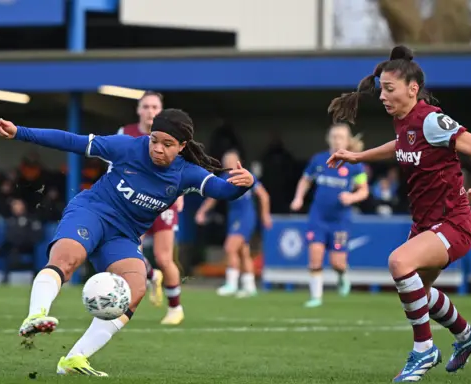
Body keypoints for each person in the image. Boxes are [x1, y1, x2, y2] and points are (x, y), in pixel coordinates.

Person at [0, 109, 255, 376]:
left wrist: (245, 183)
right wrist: (20, 132)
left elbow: (224, 190)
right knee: (66, 260)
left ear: (182, 146)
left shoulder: (187, 173)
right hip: (92, 212)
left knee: (136, 287)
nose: (157, 149)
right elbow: (71, 141)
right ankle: (36, 315)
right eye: (154, 140)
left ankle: (74, 359)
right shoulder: (128, 147)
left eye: (167, 144)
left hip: (122, 235)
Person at [327, 45, 471, 382]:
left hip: (454, 222)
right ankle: (466, 336)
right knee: (421, 293)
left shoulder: (432, 120)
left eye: (390, 90)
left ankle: (424, 350)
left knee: (399, 264)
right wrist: (358, 157)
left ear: (412, 89)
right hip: (425, 224)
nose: (383, 97)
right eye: (381, 91)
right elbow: (401, 145)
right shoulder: (403, 123)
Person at [117, 91, 184, 325]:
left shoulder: (174, 135)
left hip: (164, 203)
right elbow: (113, 167)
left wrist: (182, 192)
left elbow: (184, 168)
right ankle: (151, 276)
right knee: (129, 253)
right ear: (138, 110)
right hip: (134, 204)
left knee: (164, 257)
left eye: (155, 107)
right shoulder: (126, 134)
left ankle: (175, 308)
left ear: (161, 110)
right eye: (146, 106)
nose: (150, 111)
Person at [290, 123, 369, 308]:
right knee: (315, 256)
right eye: (334, 136)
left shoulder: (354, 164)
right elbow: (305, 180)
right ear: (329, 138)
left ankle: (342, 275)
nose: (337, 140)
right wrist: (298, 198)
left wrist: (352, 197)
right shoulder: (318, 160)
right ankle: (316, 297)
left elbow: (363, 190)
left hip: (340, 221)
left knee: (337, 263)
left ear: (347, 140)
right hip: (318, 217)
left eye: (341, 136)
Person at [195, 150, 272, 298]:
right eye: (226, 160)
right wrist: (202, 211)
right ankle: (250, 287)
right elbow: (213, 198)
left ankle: (232, 284)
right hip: (234, 217)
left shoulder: (246, 176)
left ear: (238, 161)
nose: (228, 163)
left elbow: (263, 195)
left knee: (230, 247)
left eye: (231, 160)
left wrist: (265, 215)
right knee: (243, 251)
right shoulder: (224, 177)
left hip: (245, 217)